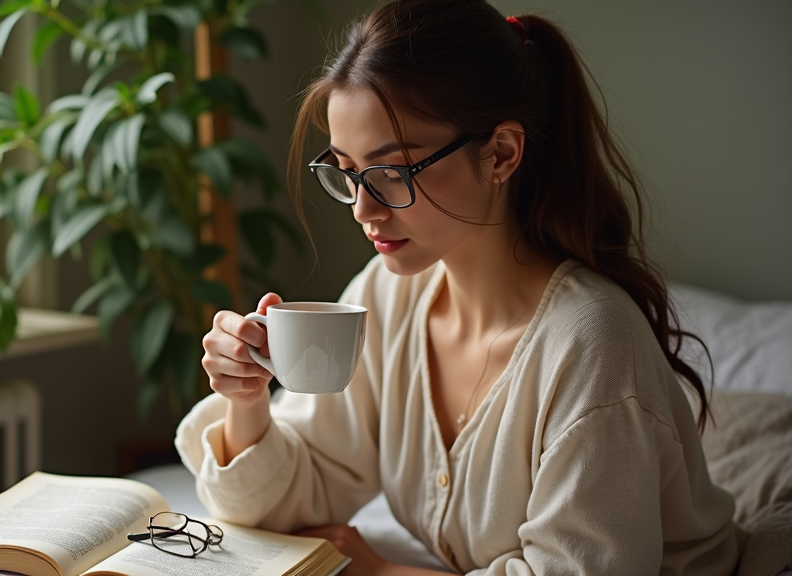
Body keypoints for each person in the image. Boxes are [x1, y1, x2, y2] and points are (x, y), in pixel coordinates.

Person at [176, 0, 740, 573]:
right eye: (347, 174)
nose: (363, 209)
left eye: (392, 171)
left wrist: (379, 570)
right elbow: (295, 497)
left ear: (500, 153)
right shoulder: (386, 296)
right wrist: (245, 402)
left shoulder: (591, 343)